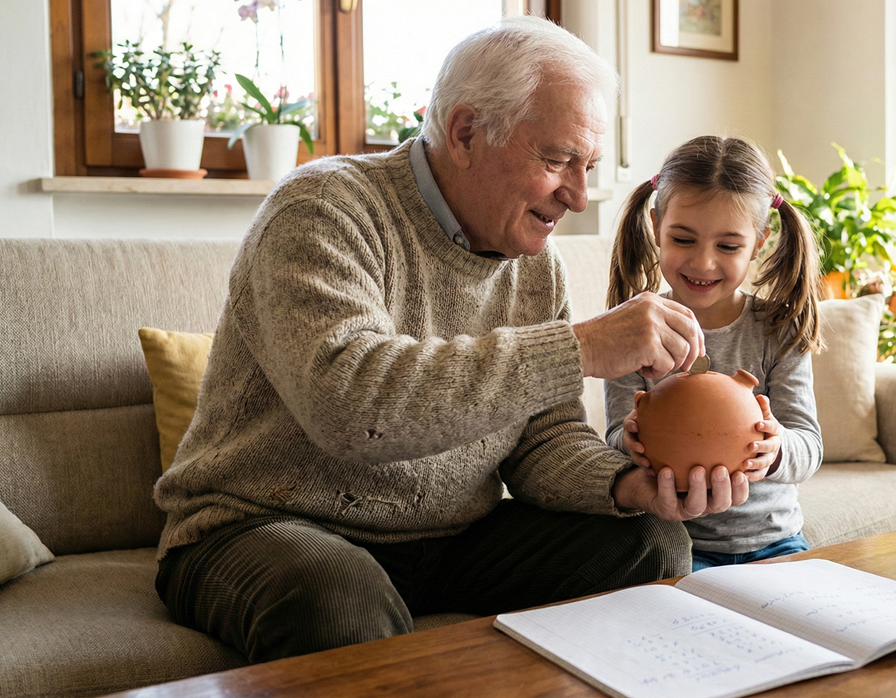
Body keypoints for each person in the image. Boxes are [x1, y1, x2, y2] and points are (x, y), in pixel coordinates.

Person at [151, 17, 751, 664]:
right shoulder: (321, 210)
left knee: (649, 541)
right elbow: (352, 410)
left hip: (448, 538)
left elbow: (542, 444)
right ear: (466, 133)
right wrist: (579, 348)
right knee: (338, 595)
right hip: (257, 527)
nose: (577, 196)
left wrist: (626, 486)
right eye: (557, 160)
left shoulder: (533, 262)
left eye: (590, 167)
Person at [605, 135, 825, 572]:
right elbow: (613, 436)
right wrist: (628, 440)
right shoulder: (632, 330)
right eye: (683, 239)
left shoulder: (777, 328)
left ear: (759, 243)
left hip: (774, 540)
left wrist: (777, 448)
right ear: (655, 227)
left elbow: (809, 445)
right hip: (676, 544)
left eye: (728, 246)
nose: (703, 264)